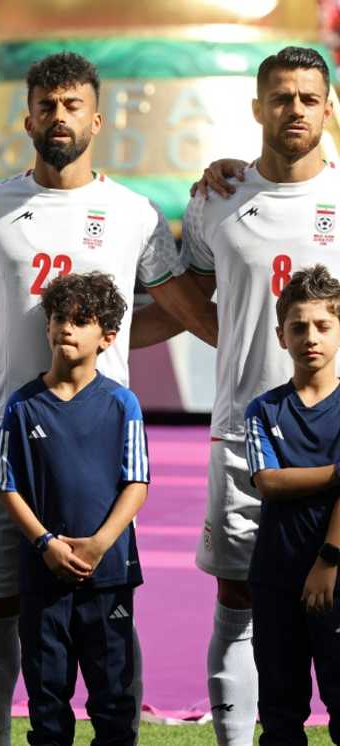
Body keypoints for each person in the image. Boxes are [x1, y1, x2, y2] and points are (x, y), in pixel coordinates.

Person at [0, 52, 217, 746]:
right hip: (2, 437)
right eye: (47, 105)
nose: (59, 117)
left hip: (101, 442)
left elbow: (179, 310)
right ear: (28, 117)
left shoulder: (132, 212)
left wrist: (248, 339)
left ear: (96, 119)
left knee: (107, 609)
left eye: (73, 106)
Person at [169, 46, 340, 745]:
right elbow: (189, 293)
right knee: (238, 600)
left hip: (334, 432)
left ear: (328, 108)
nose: (294, 108)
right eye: (281, 96)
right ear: (257, 108)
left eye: (308, 97)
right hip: (244, 432)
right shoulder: (218, 197)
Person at [0, 271, 149, 746]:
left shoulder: (123, 404)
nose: (66, 328)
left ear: (107, 337)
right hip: (44, 574)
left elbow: (137, 483)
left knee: (114, 698)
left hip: (109, 573)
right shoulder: (22, 405)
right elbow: (6, 484)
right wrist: (45, 543)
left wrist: (101, 543)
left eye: (82, 321)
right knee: (47, 699)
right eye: (59, 318)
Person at [244, 264, 340, 744]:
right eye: (298, 326)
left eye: (323, 325)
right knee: (280, 714)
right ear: (281, 336)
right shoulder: (263, 409)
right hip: (276, 576)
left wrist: (329, 559)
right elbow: (269, 482)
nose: (311, 337)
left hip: (335, 573)